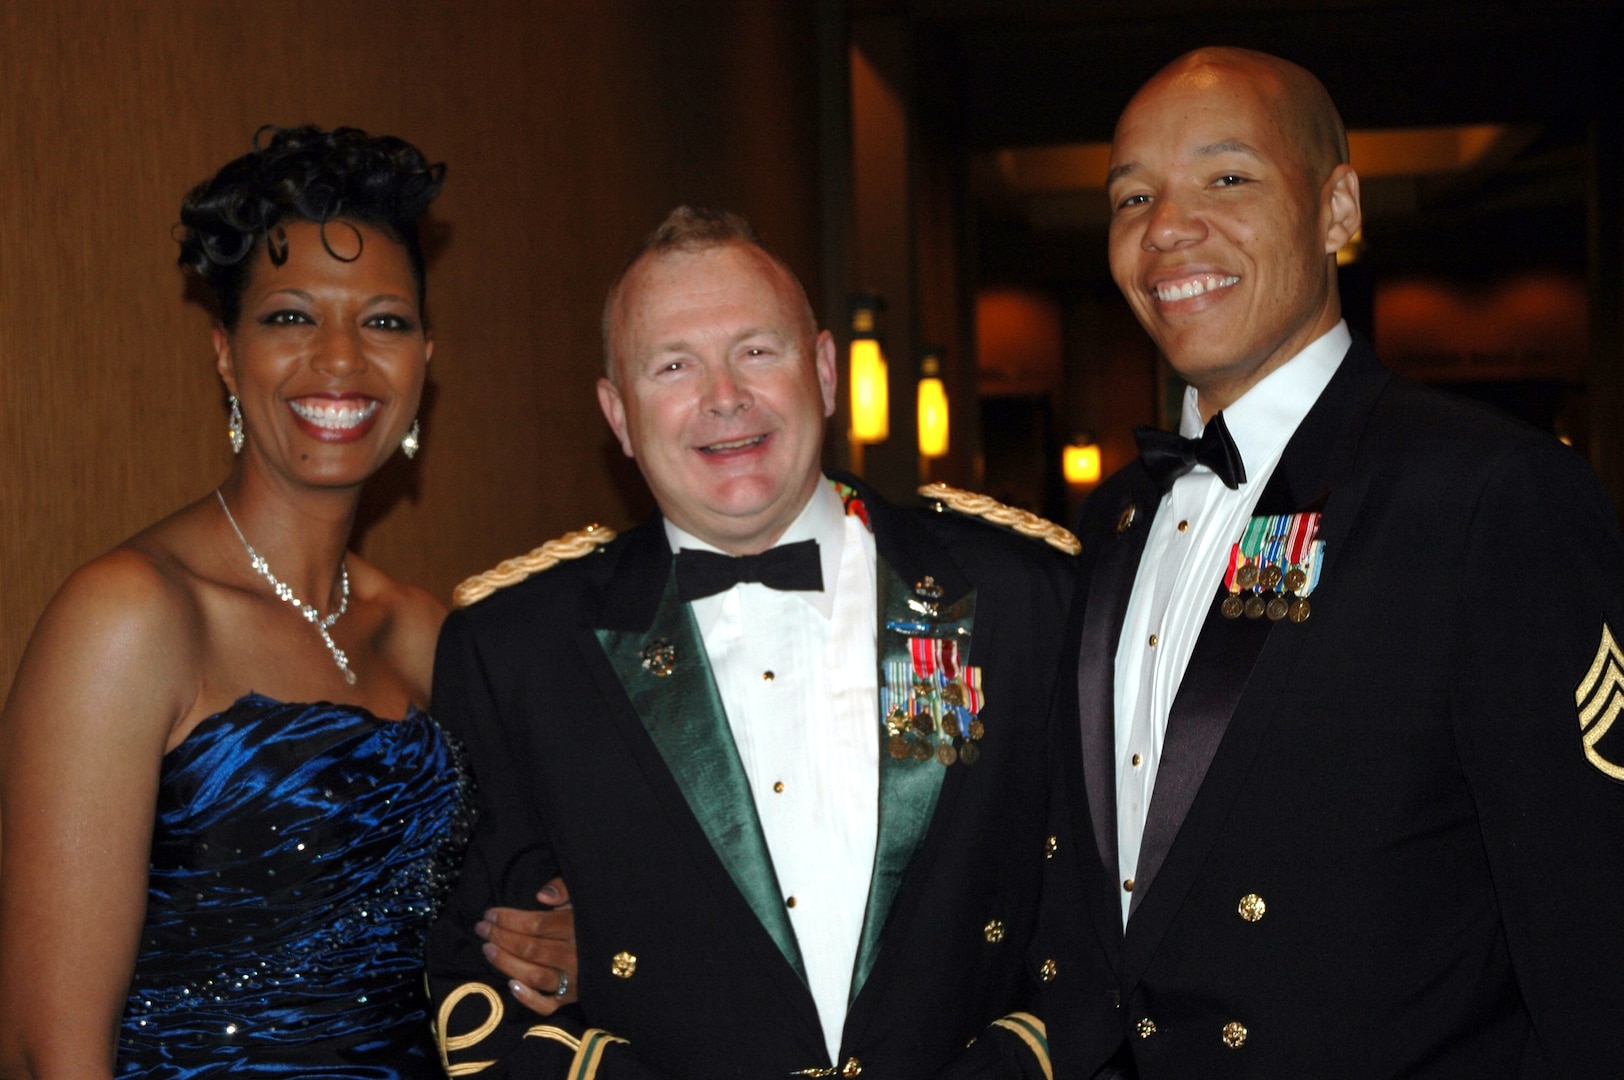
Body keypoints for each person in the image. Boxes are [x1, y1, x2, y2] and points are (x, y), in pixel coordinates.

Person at [1029, 47, 1624, 1078]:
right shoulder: (1111, 520)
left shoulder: (1485, 495)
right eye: (1133, 196)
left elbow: (1595, 926)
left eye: (1227, 178)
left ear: (1338, 210)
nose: (1168, 227)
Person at [425, 206, 1073, 1079]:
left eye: (757, 351)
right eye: (673, 366)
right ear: (618, 416)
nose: (724, 396)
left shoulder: (1020, 596)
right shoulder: (513, 650)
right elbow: (477, 989)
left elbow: (1095, 920)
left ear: (825, 371)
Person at [0, 126, 571, 1080]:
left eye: (384, 321)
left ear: (426, 357)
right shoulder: (128, 618)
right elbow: (41, 1047)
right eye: (292, 318)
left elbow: (503, 910)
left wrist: (562, 942)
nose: (340, 359)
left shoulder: (432, 634)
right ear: (226, 352)